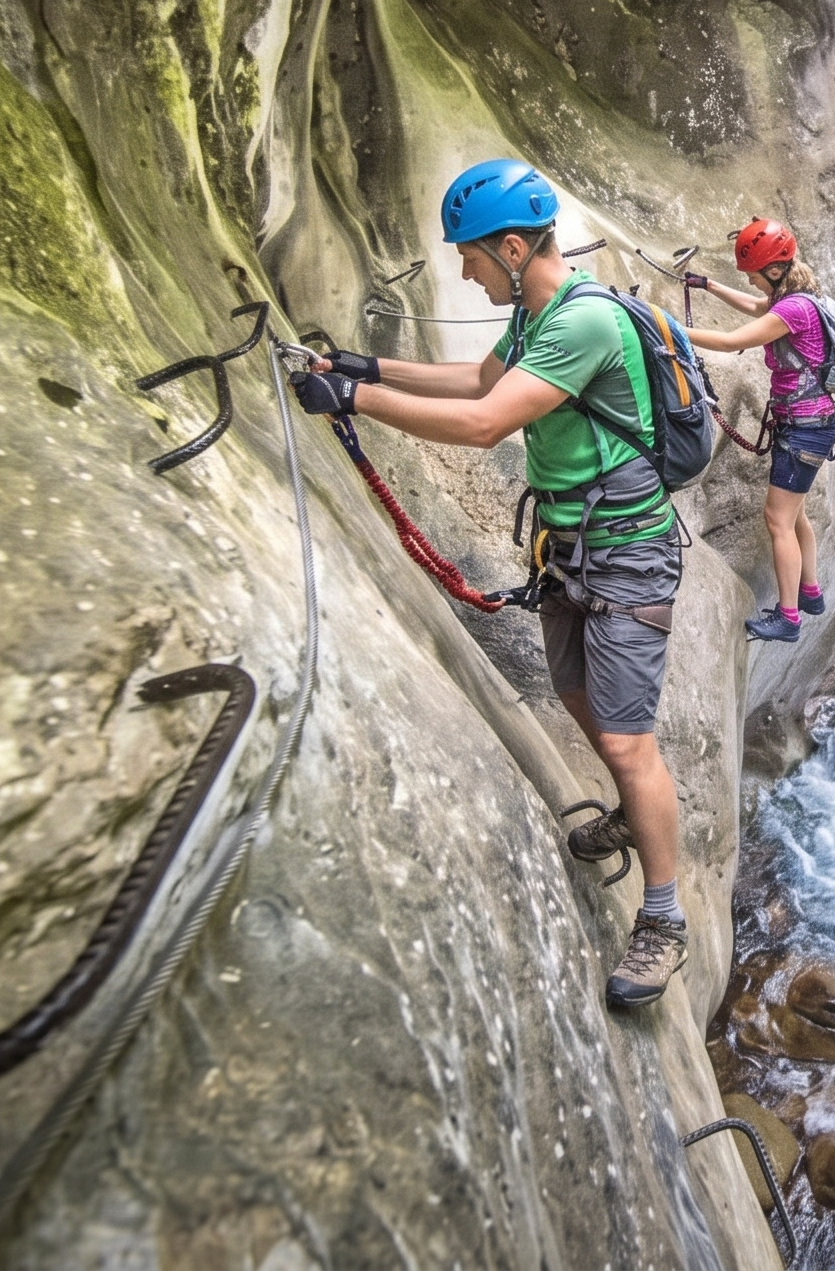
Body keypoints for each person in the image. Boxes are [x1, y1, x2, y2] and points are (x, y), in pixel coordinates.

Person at [286, 158, 689, 1010]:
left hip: (626, 552)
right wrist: (365, 368)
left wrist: (349, 402)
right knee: (579, 699)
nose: (465, 273)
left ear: (512, 248)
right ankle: (629, 816)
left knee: (625, 740)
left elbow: (481, 423)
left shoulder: (579, 323)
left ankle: (664, 921)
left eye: (470, 256)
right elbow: (475, 381)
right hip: (572, 545)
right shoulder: (542, 311)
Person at [681, 218, 835, 644]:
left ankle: (789, 618)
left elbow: (734, 341)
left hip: (803, 429)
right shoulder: (797, 297)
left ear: (773, 271)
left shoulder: (791, 308)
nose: (750, 281)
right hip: (813, 423)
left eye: (753, 274)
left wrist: (671, 329)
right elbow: (756, 309)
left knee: (777, 520)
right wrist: (710, 285)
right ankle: (811, 592)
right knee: (796, 513)